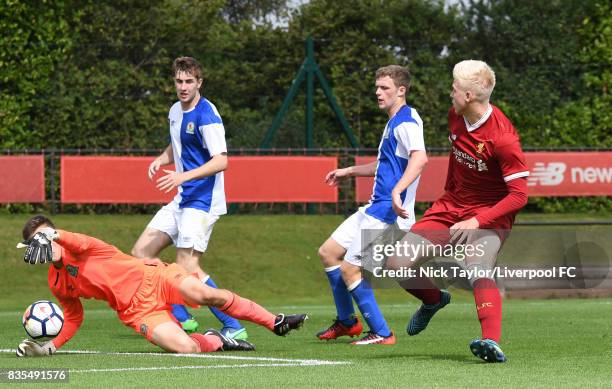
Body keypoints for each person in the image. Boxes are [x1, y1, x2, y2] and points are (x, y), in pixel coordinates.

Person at [385, 60, 529, 363]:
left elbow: (519, 196)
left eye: (454, 89)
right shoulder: (456, 116)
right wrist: (448, 201)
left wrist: (478, 220)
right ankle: (434, 300)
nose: (450, 93)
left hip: (490, 214)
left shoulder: (503, 139)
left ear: (469, 97)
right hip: (451, 206)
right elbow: (457, 159)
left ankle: (490, 342)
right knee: (396, 263)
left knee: (478, 265)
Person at [15, 215, 307, 357]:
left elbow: (77, 240)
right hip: (136, 311)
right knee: (186, 349)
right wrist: (48, 348)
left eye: (45, 237)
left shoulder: (83, 247)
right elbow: (74, 317)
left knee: (206, 294)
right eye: (34, 242)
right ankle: (220, 340)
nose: (41, 244)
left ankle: (274, 321)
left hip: (155, 278)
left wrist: (53, 234)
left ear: (53, 235)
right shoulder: (56, 282)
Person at [131, 56, 247, 339]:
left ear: (199, 83)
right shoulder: (174, 110)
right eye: (179, 81)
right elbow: (178, 143)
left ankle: (234, 326)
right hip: (182, 198)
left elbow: (221, 161)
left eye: (189, 82)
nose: (183, 87)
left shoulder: (207, 115)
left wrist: (182, 176)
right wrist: (162, 158)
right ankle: (182, 317)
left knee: (188, 265)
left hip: (203, 201)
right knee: (141, 254)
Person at [316, 65, 428, 345]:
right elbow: (386, 165)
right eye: (377, 87)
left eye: (385, 88)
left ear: (401, 90)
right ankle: (346, 322)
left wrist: (398, 191)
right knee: (329, 253)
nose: (378, 92)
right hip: (374, 208)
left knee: (350, 269)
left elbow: (420, 158)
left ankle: (382, 332)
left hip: (388, 214)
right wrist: (349, 171)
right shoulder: (397, 120)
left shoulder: (405, 123)